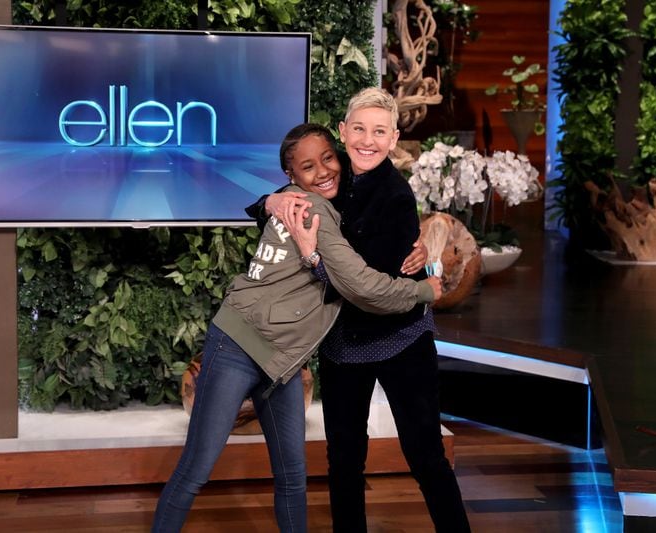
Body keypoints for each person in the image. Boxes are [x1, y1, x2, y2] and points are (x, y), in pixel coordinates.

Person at [151, 123, 442, 533]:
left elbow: (363, 247)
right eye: (308, 166)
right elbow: (361, 286)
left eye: (328, 158)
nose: (323, 170)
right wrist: (424, 290)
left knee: (292, 477)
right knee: (195, 469)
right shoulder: (310, 208)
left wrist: (414, 242)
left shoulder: (321, 201)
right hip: (238, 347)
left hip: (284, 360)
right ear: (293, 177)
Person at [260, 88, 471, 532]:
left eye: (379, 132)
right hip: (342, 343)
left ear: (393, 139)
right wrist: (272, 201)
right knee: (344, 460)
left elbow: (363, 288)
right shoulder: (331, 169)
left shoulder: (395, 197)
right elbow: (285, 193)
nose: (367, 140)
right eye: (359, 129)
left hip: (400, 337)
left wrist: (314, 258)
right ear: (343, 132)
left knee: (425, 455)